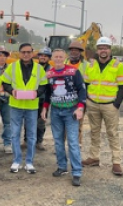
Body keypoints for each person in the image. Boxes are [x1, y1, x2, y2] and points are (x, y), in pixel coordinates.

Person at [81, 36, 123, 176]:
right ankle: (94, 157)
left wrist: (116, 104)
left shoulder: (118, 66)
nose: (103, 50)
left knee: (112, 133)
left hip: (109, 106)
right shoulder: (91, 65)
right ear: (97, 50)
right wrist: (88, 99)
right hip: (93, 104)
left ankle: (116, 162)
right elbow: (87, 84)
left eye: (105, 48)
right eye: (100, 48)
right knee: (94, 132)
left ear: (110, 50)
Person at [41, 48, 87, 187]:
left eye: (61, 56)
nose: (59, 59)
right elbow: (48, 93)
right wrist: (45, 108)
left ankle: (77, 172)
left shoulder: (74, 71)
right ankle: (62, 166)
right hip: (56, 111)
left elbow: (82, 90)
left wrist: (80, 107)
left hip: (71, 111)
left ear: (64, 57)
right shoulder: (49, 74)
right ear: (52, 59)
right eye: (56, 57)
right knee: (58, 141)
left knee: (73, 142)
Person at [2, 42, 48, 173]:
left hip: (32, 107)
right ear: (20, 53)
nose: (26, 54)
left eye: (29, 52)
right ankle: (16, 161)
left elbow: (44, 85)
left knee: (32, 135)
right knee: (15, 134)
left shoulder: (39, 69)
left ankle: (29, 162)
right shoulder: (12, 67)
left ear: (32, 53)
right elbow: (5, 83)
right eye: (23, 52)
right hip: (15, 106)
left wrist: (37, 93)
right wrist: (12, 91)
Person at [0, 46, 13, 152]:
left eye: (4, 55)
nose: (2, 58)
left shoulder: (11, 69)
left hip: (7, 100)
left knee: (8, 122)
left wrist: (7, 92)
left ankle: (7, 143)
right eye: (0, 55)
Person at [35, 47, 53, 151]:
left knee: (41, 121)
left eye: (45, 56)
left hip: (44, 99)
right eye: (41, 55)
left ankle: (39, 141)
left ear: (49, 58)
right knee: (30, 120)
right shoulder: (34, 68)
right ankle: (27, 140)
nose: (43, 57)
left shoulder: (51, 70)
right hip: (33, 98)